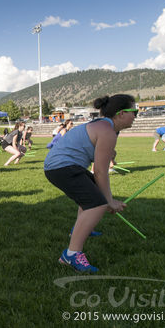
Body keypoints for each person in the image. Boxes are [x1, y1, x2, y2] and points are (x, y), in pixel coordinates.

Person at [44, 94, 137, 272]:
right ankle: (70, 256)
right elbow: (100, 172)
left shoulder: (107, 128)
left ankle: (80, 229)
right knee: (97, 205)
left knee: (91, 200)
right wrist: (109, 201)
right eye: (135, 111)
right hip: (62, 167)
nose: (135, 116)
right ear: (121, 113)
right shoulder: (107, 130)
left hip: (62, 166)